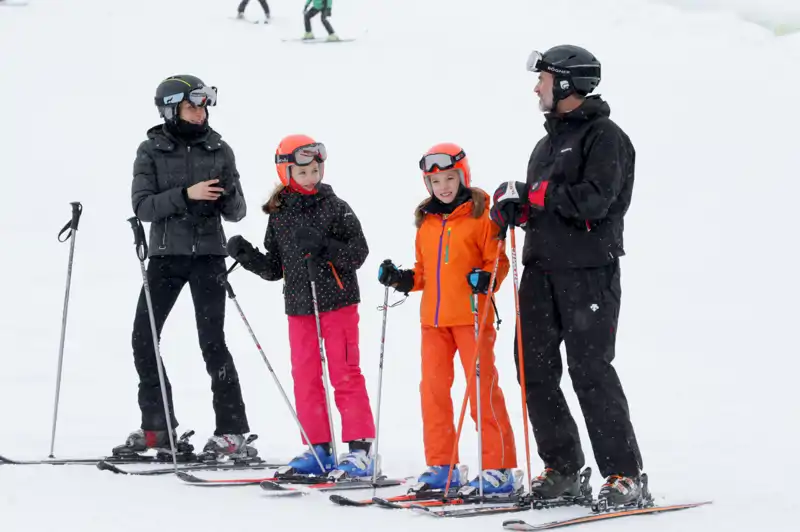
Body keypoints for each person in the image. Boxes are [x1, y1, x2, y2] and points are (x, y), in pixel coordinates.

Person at [489, 45, 644, 507]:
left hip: (588, 273)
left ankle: (624, 474)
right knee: (532, 369)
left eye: (543, 79)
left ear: (568, 84)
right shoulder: (546, 143)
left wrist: (534, 193)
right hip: (541, 271)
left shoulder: (606, 138)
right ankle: (563, 467)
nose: (537, 87)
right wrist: (516, 209)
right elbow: (547, 204)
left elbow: (595, 201)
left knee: (589, 370)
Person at [115, 75, 257, 461]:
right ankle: (158, 428)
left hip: (209, 256)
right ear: (170, 109)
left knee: (213, 342)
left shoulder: (219, 148)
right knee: (143, 338)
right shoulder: (150, 150)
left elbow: (238, 212)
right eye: (192, 106)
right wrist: (185, 195)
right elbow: (142, 207)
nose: (200, 112)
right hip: (165, 257)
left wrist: (227, 194)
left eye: (203, 106)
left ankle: (232, 432)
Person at [226, 134, 375, 477]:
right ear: (286, 173)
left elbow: (358, 253)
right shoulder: (279, 215)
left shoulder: (337, 207)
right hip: (299, 306)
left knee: (344, 372)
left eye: (314, 170)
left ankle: (360, 449)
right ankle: (317, 447)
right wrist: (248, 257)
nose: (310, 178)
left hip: (337, 303)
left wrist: (324, 246)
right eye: (302, 172)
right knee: (305, 376)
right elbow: (275, 269)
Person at [378, 143, 519, 494]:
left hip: (472, 315)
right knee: (433, 392)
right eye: (435, 180)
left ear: (463, 176)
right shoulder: (426, 221)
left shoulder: (480, 215)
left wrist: (488, 279)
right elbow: (424, 273)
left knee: (481, 390)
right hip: (434, 323)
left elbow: (497, 261)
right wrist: (402, 279)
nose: (442, 186)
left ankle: (499, 468)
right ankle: (444, 465)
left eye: (449, 178)